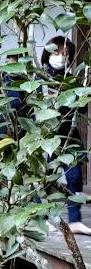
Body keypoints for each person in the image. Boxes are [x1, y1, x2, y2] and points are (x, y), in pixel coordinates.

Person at [41, 36, 91, 235]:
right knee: (44, 178)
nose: (61, 57)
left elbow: (82, 113)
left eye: (66, 54)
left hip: (69, 134)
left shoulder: (71, 80)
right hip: (44, 135)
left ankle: (75, 220)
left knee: (75, 176)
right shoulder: (39, 77)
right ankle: (41, 218)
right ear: (48, 52)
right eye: (57, 52)